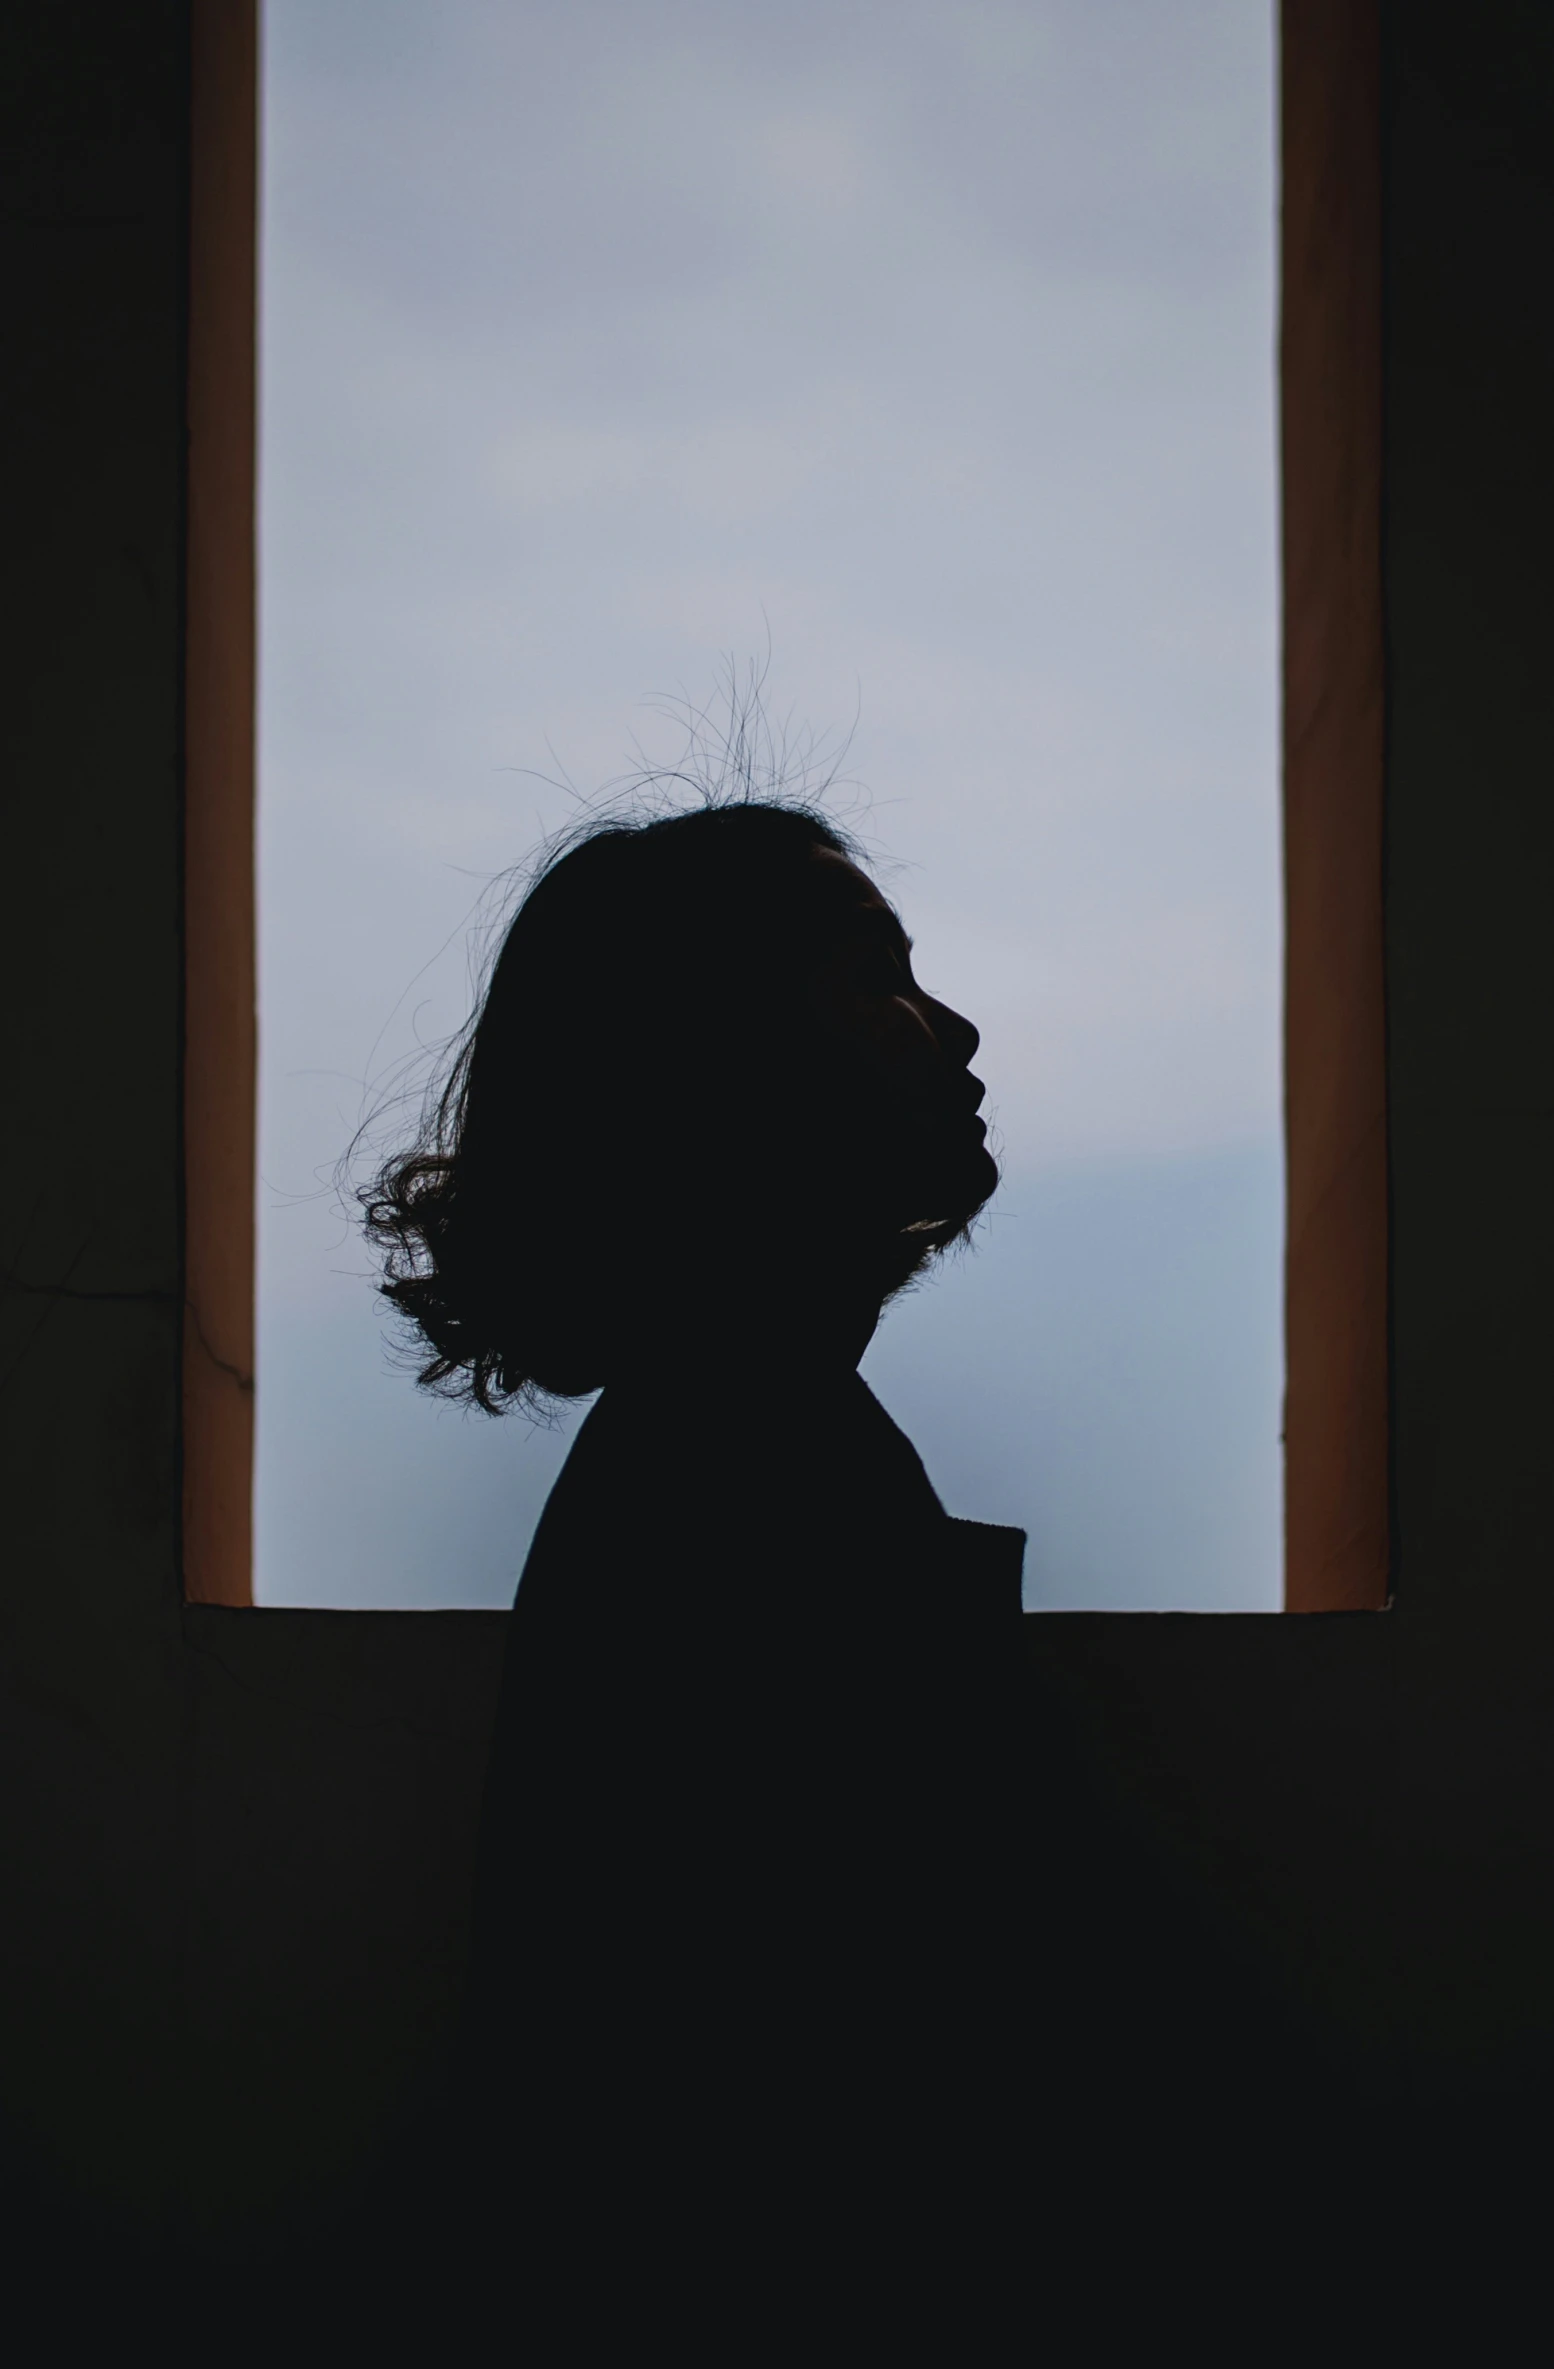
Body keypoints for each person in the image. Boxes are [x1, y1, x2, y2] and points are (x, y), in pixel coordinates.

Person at [363, 798, 1027, 2297]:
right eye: (878, 978)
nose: (955, 1028)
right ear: (720, 1068)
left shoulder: (734, 1443)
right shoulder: (751, 1474)